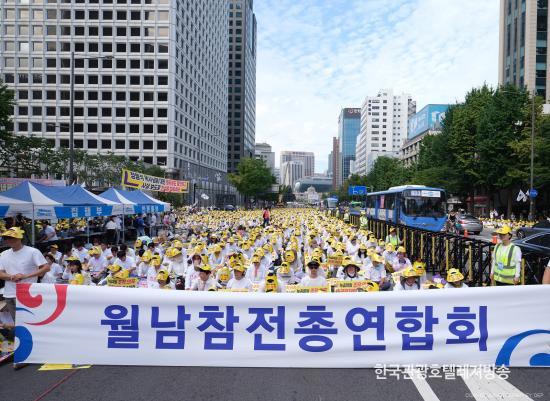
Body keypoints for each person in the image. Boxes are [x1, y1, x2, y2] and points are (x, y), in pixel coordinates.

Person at [0, 227, 49, 325]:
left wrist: (25, 276)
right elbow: (1, 273)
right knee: (17, 324)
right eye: (6, 238)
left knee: (29, 323)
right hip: (9, 293)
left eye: (12, 238)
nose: (9, 240)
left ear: (19, 238)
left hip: (27, 293)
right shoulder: (4, 254)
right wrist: (11, 277)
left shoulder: (32, 251)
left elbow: (46, 267)